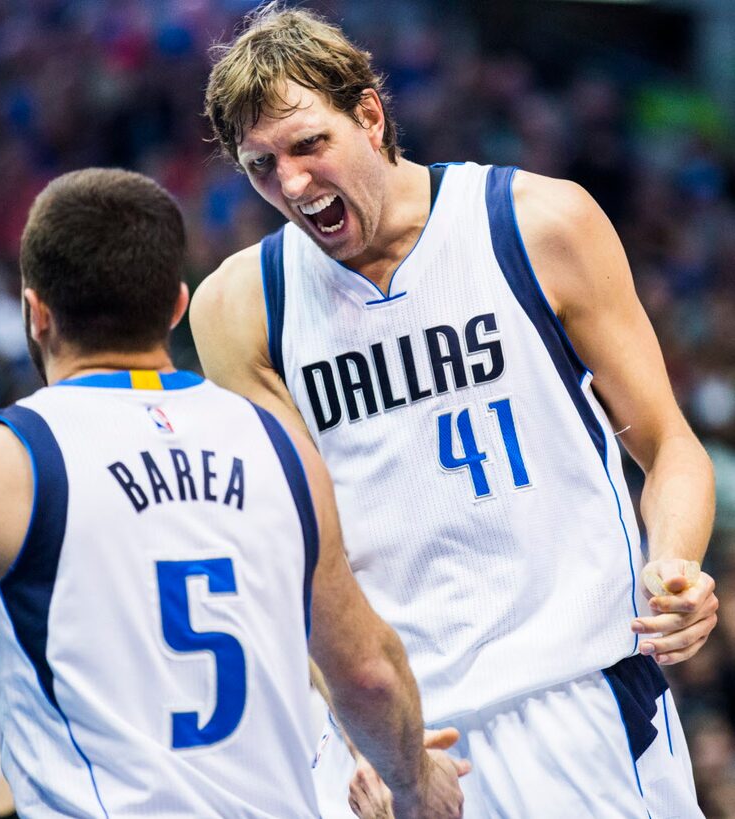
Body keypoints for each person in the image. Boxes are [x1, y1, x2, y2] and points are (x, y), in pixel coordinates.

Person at [193, 6, 719, 818]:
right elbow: (291, 563)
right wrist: (352, 737)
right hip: (406, 738)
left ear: (369, 115)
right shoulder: (241, 307)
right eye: (261, 165)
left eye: (308, 145)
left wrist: (677, 566)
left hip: (576, 700)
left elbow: (669, 445)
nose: (292, 184)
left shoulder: (538, 222)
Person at [0, 168, 468, 818]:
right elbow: (367, 674)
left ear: (35, 312)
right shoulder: (279, 446)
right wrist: (416, 783)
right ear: (176, 305)